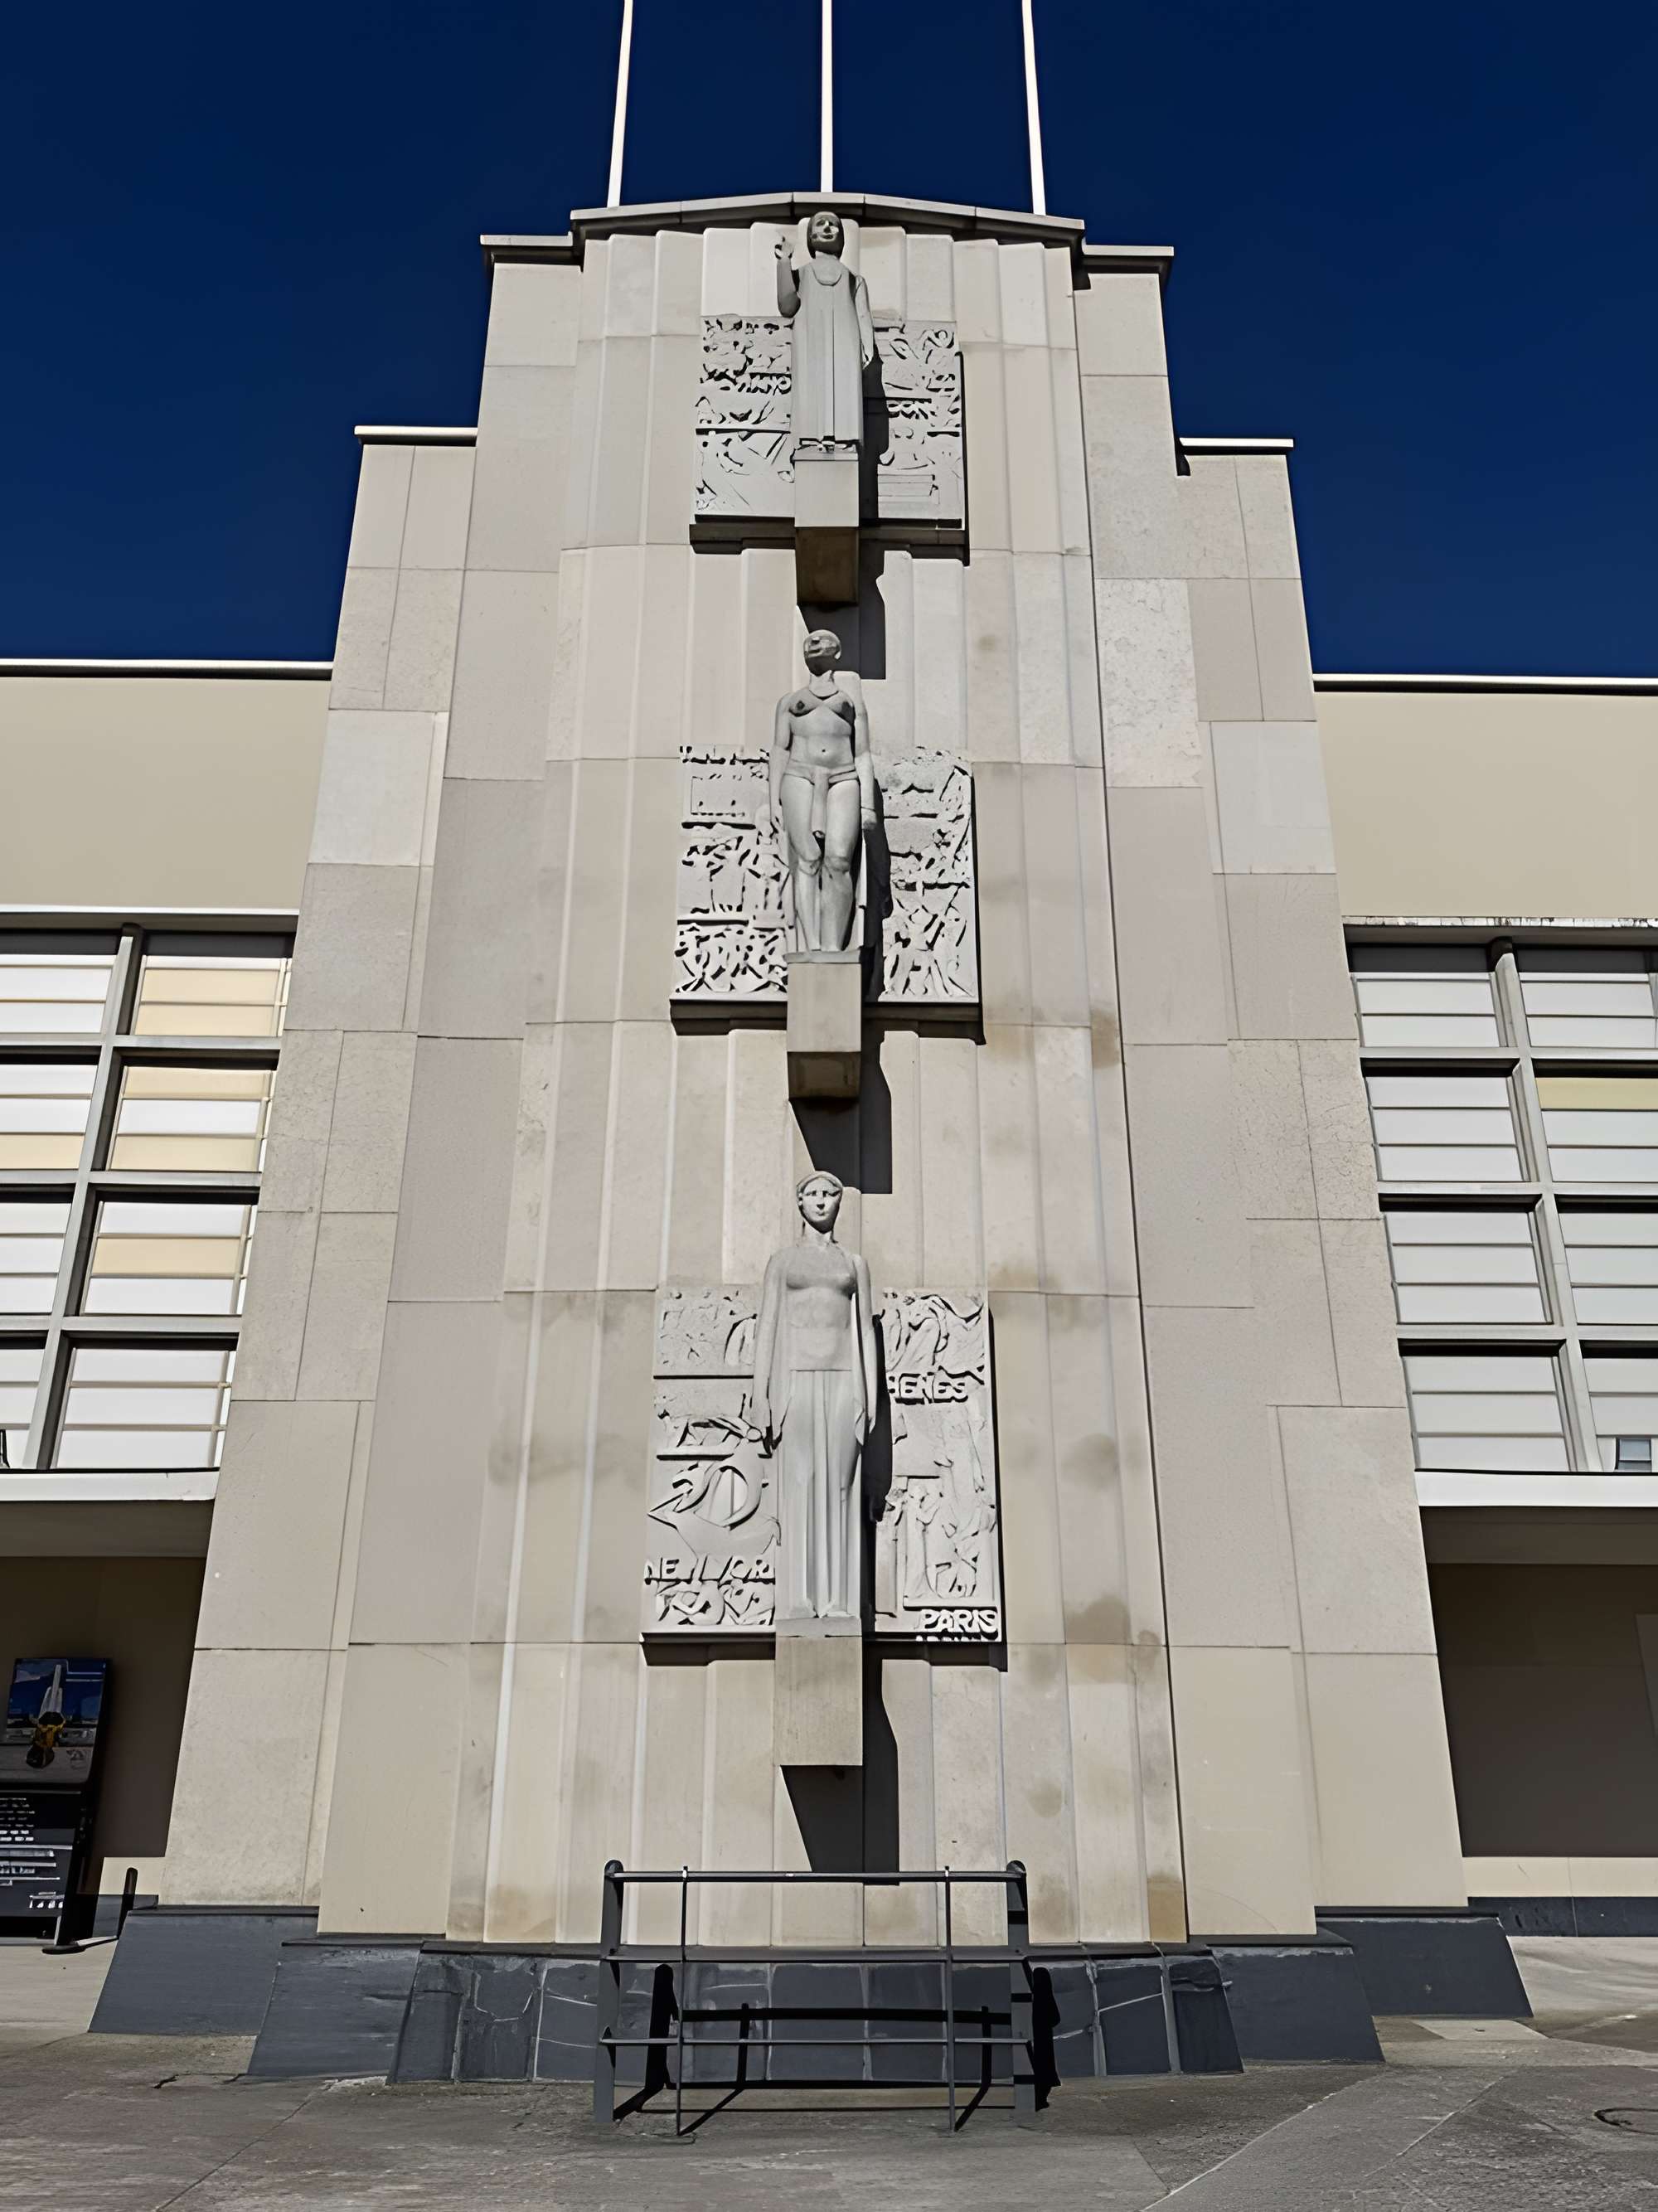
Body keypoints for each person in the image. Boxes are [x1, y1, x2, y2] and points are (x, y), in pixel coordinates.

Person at [750, 1171, 878, 1623]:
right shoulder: (783, 1262)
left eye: (830, 1195)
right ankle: (801, 1598)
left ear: (838, 1204)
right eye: (814, 1195)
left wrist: (870, 1393)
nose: (822, 1202)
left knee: (840, 1486)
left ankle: (839, 1601)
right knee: (801, 1482)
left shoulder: (854, 1264)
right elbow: (767, 1324)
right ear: (800, 1203)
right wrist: (759, 1391)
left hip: (844, 1379)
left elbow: (864, 1328)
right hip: (797, 1378)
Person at [770, 628, 876, 953]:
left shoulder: (851, 701)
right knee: (809, 858)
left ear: (838, 651)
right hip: (799, 776)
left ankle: (834, 947)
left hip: (843, 777)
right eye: (810, 639)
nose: (813, 642)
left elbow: (863, 754)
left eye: (822, 638)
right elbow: (779, 749)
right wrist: (774, 799)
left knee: (839, 859)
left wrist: (869, 804)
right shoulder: (789, 702)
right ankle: (812, 943)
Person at [775, 211, 875, 450]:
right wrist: (784, 262)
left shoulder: (854, 279)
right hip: (811, 338)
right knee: (810, 383)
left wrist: (868, 345)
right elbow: (787, 306)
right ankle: (809, 439)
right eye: (821, 224)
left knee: (846, 385)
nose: (829, 228)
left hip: (845, 339)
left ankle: (846, 440)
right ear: (810, 236)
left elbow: (863, 313)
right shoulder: (802, 274)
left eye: (834, 224)